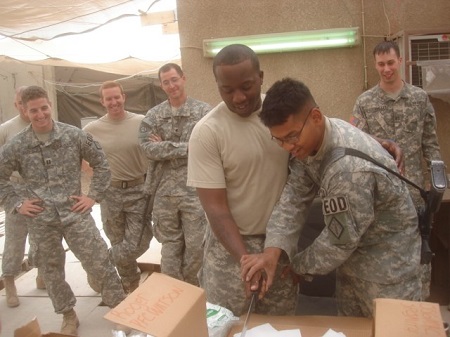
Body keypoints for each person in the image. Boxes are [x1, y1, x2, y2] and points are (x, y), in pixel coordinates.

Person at [240, 77, 422, 318]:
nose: (287, 146)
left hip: (388, 276)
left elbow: (339, 241)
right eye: (279, 139)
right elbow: (293, 199)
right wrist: (272, 251)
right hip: (353, 269)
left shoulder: (347, 169)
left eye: (292, 136)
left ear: (315, 116)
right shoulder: (313, 141)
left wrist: (294, 266)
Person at [0, 86, 126, 335]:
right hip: (41, 219)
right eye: (33, 110)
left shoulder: (74, 135)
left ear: (50, 106)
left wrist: (92, 197)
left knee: (100, 261)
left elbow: (101, 164)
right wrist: (17, 204)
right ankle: (68, 315)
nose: (40, 114)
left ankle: (121, 308)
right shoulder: (17, 145)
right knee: (51, 270)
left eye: (44, 108)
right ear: (25, 111)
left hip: (75, 213)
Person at [187, 44, 298, 316]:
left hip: (278, 246)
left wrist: (374, 142)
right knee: (226, 324)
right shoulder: (207, 132)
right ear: (217, 86)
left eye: (246, 86)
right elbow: (215, 208)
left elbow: (323, 135)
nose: (238, 97)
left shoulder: (284, 116)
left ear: (261, 77)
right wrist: (246, 261)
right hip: (230, 250)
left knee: (279, 328)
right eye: (227, 90)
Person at [350, 40, 442, 300]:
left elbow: (431, 146)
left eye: (391, 63)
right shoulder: (364, 102)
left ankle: (420, 306)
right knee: (382, 252)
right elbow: (357, 145)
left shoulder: (419, 98)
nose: (386, 69)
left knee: (419, 254)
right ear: (375, 65)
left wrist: (436, 185)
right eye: (381, 64)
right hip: (380, 197)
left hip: (415, 195)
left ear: (400, 61)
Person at [139, 63, 210, 286]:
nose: (171, 85)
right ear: (161, 85)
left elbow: (208, 146)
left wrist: (166, 148)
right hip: (163, 192)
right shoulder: (153, 115)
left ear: (183, 78)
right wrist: (187, 147)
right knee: (170, 246)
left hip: (196, 191)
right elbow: (147, 148)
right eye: (166, 82)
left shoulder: (204, 112)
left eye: (174, 79)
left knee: (197, 246)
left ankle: (190, 289)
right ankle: (173, 292)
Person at [83, 80, 153, 294]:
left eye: (117, 97)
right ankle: (130, 283)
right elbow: (79, 157)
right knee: (117, 239)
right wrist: (97, 176)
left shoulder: (142, 122)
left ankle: (99, 263)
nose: (114, 102)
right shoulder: (92, 129)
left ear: (124, 97)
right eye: (109, 98)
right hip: (110, 192)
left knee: (140, 241)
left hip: (139, 190)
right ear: (102, 101)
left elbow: (154, 148)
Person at [0, 86, 45, 308]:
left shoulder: (42, 124)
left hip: (40, 189)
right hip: (16, 190)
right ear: (17, 104)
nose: (24, 107)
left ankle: (41, 273)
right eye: (20, 103)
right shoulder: (6, 130)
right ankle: (9, 281)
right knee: (15, 239)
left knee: (42, 236)